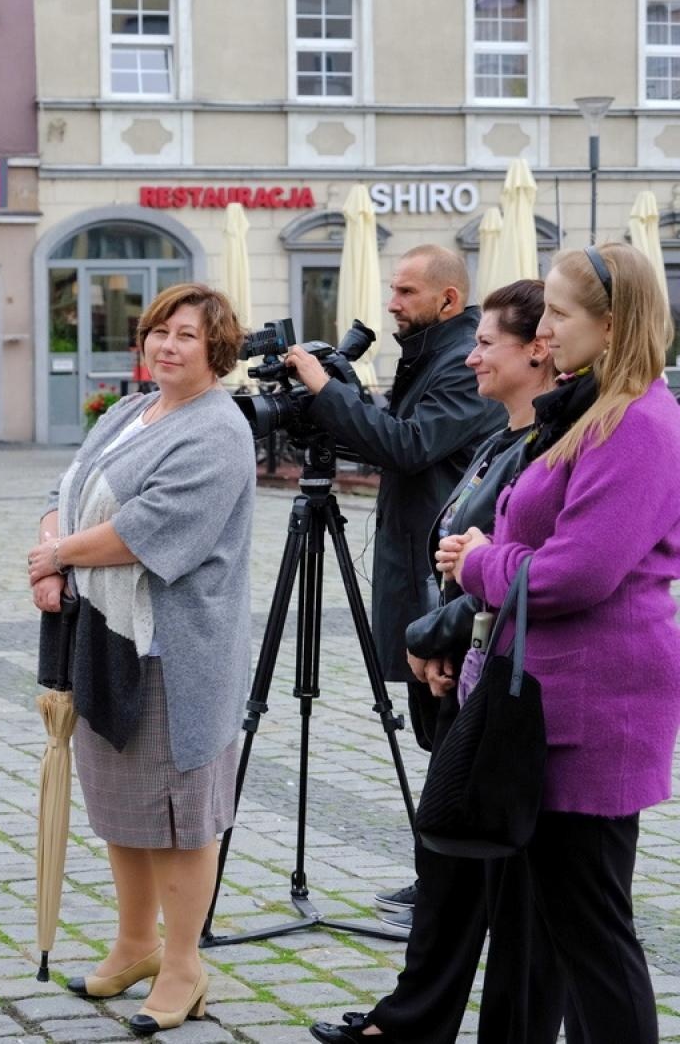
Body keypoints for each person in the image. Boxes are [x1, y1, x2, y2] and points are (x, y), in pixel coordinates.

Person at [312, 280, 563, 1044]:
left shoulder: (544, 450)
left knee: (500, 881)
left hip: (511, 684)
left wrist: (435, 633)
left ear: (538, 351)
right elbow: (454, 547)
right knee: (447, 860)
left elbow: (526, 568)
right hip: (469, 669)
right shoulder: (503, 439)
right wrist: (441, 635)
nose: (472, 356)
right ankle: (412, 1019)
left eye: (486, 344)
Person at [441, 244, 680, 1044]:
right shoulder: (596, 408)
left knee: (591, 930)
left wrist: (482, 561)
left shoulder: (637, 423)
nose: (543, 328)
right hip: (549, 698)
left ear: (613, 326)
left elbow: (578, 572)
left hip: (593, 705)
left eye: (559, 313)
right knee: (541, 924)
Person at [29, 283, 253, 1036]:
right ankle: (135, 944)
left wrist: (59, 554)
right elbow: (67, 488)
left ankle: (184, 964)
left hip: (175, 652)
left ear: (216, 349)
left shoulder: (218, 429)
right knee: (121, 801)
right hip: (107, 634)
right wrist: (52, 555)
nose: (168, 345)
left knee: (181, 816)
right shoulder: (131, 410)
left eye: (187, 335)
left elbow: (148, 530)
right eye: (160, 330)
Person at [285, 244, 504, 927]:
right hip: (422, 566)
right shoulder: (432, 354)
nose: (392, 304)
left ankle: (452, 888)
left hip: (444, 575)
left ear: (448, 298)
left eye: (406, 292)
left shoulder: (461, 361)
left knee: (451, 733)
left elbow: (407, 445)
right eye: (393, 289)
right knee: (438, 733)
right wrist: (335, 402)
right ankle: (441, 879)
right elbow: (390, 439)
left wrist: (327, 391)